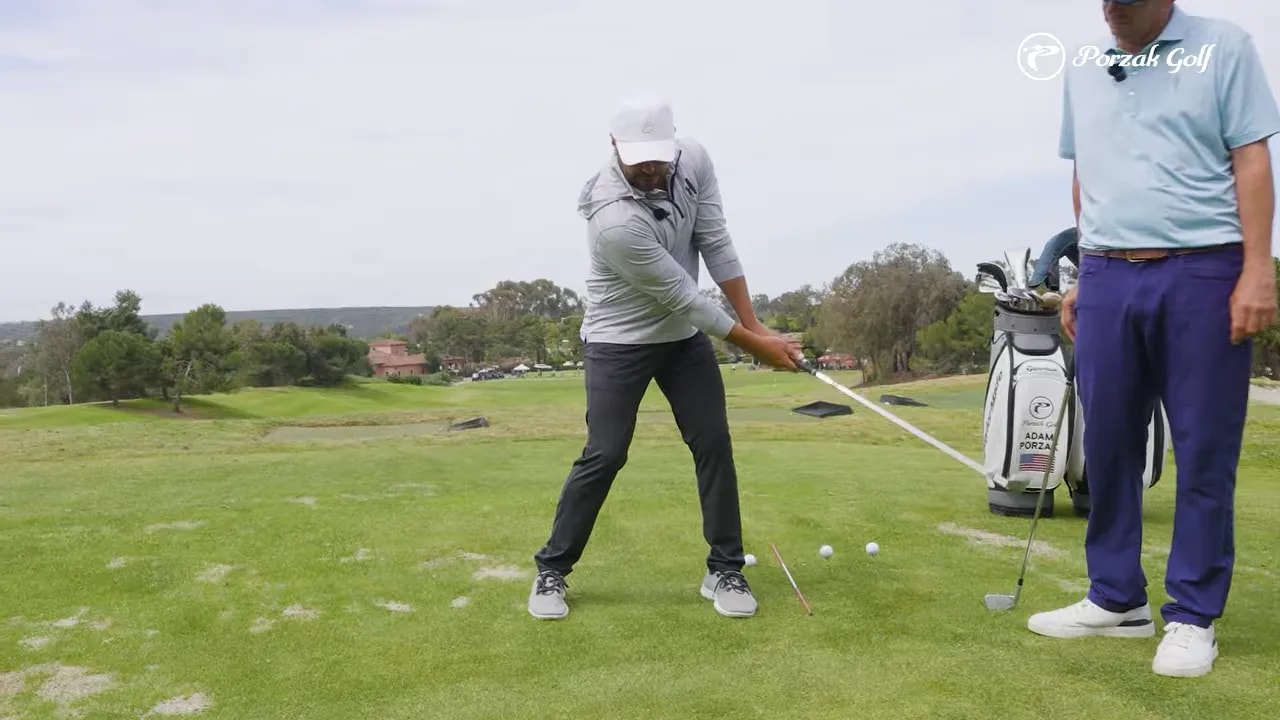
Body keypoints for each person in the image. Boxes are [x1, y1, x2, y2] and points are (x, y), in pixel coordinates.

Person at [1028, 0, 1279, 678]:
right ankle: (1116, 599)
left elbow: (1251, 158)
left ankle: (1193, 615)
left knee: (1203, 448)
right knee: (1107, 444)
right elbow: (1087, 173)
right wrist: (1087, 267)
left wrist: (1258, 266)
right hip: (1109, 275)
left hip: (1204, 268)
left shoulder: (1223, 47)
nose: (1113, 11)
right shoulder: (1084, 66)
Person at [527, 93, 804, 621]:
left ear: (674, 144)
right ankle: (552, 570)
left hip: (682, 340)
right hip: (618, 341)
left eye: (659, 157)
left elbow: (715, 240)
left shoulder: (694, 159)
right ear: (615, 147)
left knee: (714, 443)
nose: (652, 170)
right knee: (606, 453)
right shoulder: (611, 221)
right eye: (639, 161)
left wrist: (755, 325)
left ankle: (725, 568)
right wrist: (757, 349)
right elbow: (687, 297)